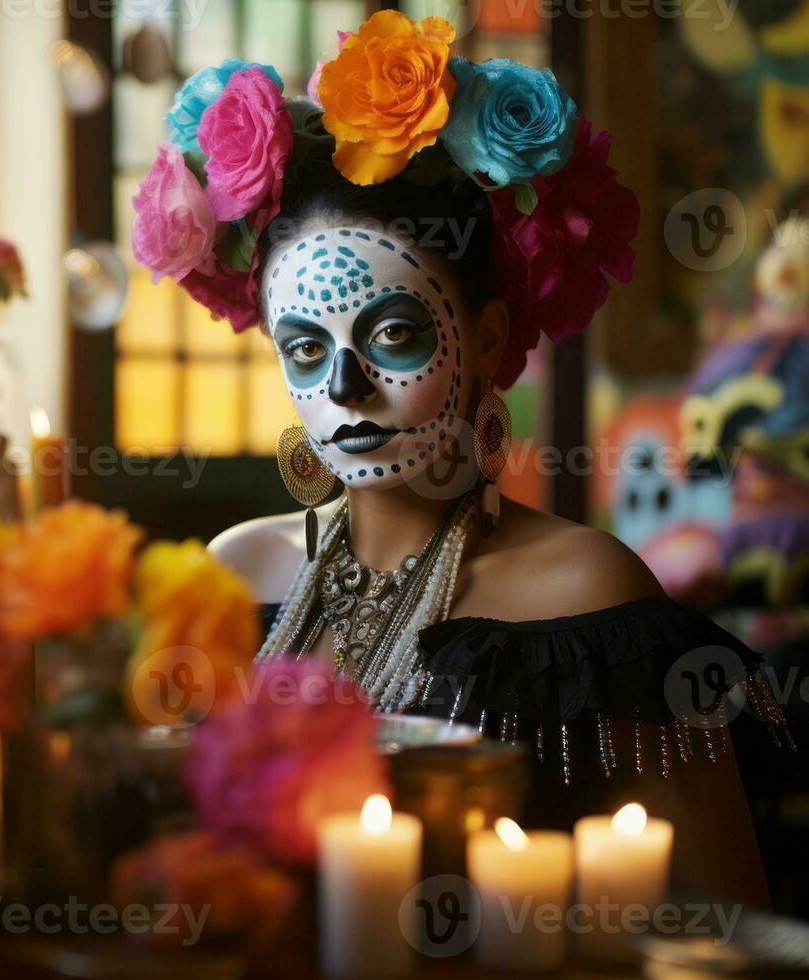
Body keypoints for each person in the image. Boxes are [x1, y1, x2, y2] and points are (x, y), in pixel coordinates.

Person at [132, 11, 790, 907]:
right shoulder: (231, 574)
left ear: (483, 340)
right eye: (303, 351)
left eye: (393, 335)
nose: (347, 386)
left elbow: (724, 928)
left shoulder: (590, 598)